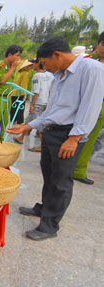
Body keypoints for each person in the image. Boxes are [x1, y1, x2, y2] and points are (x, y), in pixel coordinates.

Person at [7, 37, 104, 241]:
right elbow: (52, 111)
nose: (44, 67)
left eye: (44, 62)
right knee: (49, 174)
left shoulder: (91, 69)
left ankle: (49, 225)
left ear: (57, 55)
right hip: (51, 131)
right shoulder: (59, 75)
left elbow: (91, 107)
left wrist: (75, 138)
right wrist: (28, 126)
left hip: (68, 134)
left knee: (61, 180)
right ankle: (44, 208)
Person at [72, 32, 104, 185]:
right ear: (97, 45)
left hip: (101, 105)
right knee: (78, 135)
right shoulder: (86, 62)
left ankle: (79, 168)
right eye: (102, 44)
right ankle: (74, 168)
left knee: (90, 139)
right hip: (84, 102)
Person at [13, 62, 54, 147]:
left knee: (39, 124)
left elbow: (36, 92)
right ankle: (21, 137)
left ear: (38, 64)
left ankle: (43, 146)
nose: (32, 66)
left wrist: (32, 104)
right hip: (45, 102)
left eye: (33, 64)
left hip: (38, 102)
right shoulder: (50, 75)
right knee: (28, 121)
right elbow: (52, 90)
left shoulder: (37, 76)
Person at [10, 60, 35, 127]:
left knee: (13, 108)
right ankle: (20, 122)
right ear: (27, 67)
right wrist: (24, 94)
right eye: (30, 66)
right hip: (20, 93)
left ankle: (13, 120)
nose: (31, 67)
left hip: (14, 93)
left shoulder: (20, 73)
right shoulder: (26, 73)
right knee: (21, 108)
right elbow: (24, 85)